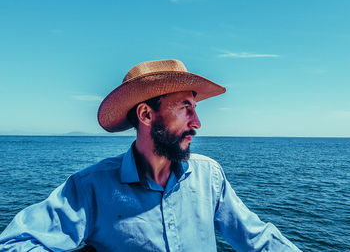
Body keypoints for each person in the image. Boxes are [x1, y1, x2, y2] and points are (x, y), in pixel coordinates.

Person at [0, 59, 301, 251]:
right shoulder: (91, 186)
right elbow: (15, 243)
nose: (197, 122)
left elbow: (257, 239)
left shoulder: (209, 176)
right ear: (146, 114)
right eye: (186, 108)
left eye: (195, 110)